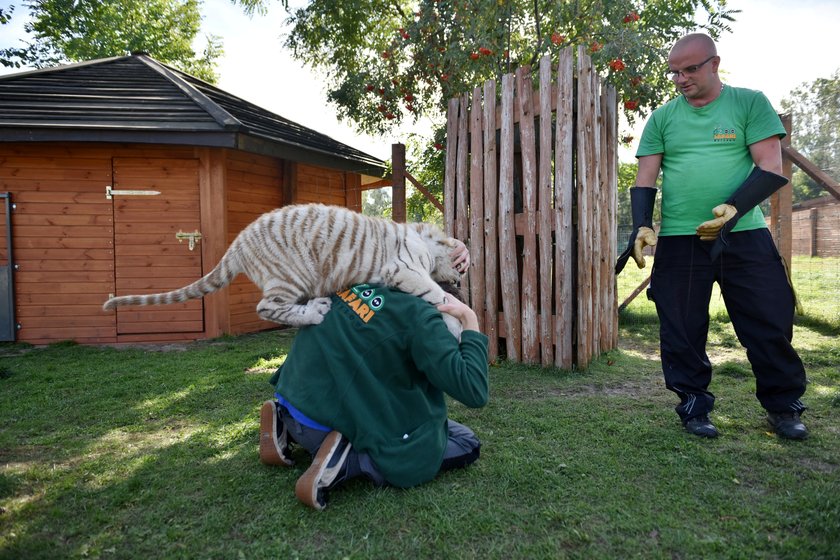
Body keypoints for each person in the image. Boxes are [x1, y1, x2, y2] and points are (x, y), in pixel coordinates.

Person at [617, 33, 808, 440]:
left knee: (768, 321)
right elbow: (646, 177)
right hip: (682, 240)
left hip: (744, 234)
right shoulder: (664, 117)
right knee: (681, 327)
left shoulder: (749, 102)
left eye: (690, 69)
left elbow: (772, 166)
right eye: (675, 72)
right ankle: (692, 405)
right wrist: (642, 225)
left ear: (714, 63)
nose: (681, 78)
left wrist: (735, 209)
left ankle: (783, 407)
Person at [258, 248, 489, 510]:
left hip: (293, 401)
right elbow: (474, 390)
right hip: (329, 430)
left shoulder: (364, 277)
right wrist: (469, 319)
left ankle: (283, 424)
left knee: (440, 424)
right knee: (464, 441)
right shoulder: (425, 318)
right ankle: (347, 461)